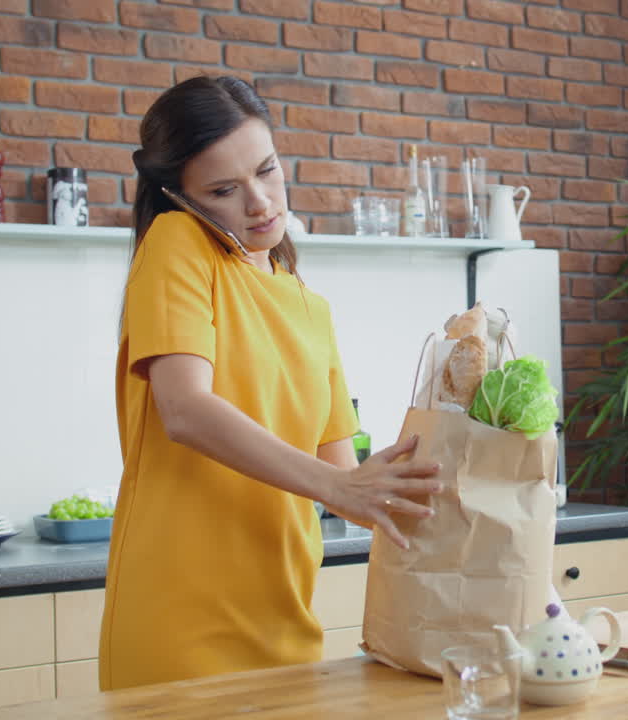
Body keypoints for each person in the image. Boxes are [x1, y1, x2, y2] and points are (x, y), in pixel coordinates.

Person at [99, 75, 442, 691]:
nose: (260, 202)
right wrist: (342, 483)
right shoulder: (178, 246)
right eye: (226, 189)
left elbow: (349, 487)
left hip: (288, 625)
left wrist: (461, 475)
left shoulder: (311, 308)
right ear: (180, 197)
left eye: (268, 171)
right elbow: (185, 409)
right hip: (179, 626)